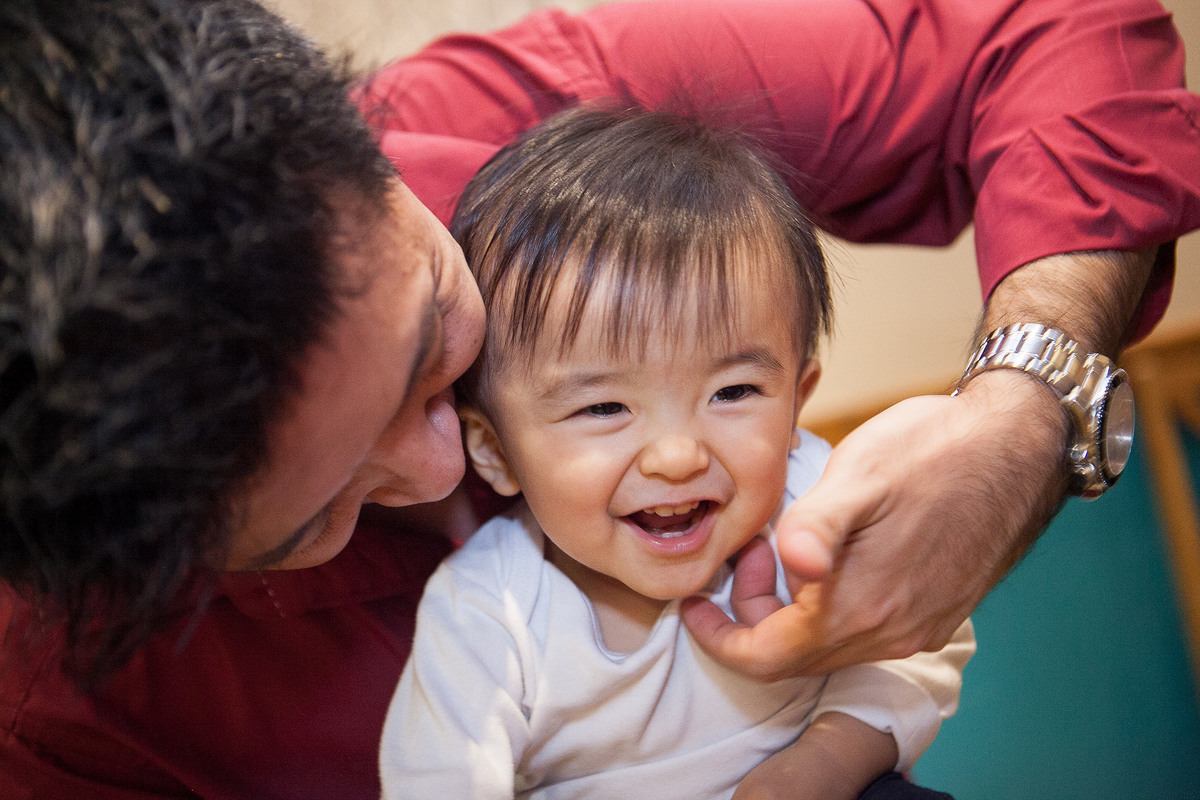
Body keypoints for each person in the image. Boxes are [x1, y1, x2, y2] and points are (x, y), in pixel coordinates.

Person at [0, 0, 1196, 797]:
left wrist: (1030, 406)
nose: (442, 468)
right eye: (311, 520)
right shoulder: (58, 709)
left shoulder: (556, 126)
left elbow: (1047, 29)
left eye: (435, 339)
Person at [379, 104, 973, 800]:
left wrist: (828, 761)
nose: (676, 455)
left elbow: (924, 638)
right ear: (494, 449)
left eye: (733, 391)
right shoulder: (488, 611)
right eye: (603, 407)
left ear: (797, 399)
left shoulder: (816, 503)